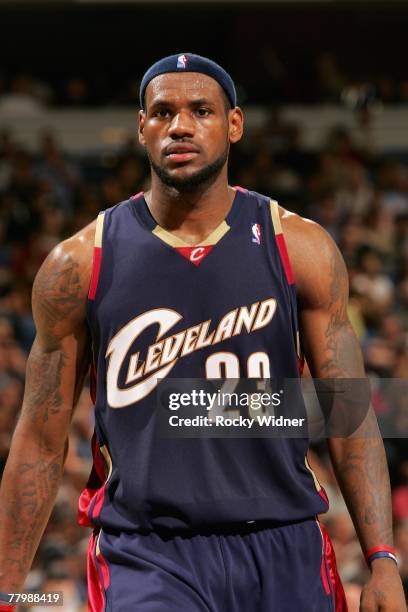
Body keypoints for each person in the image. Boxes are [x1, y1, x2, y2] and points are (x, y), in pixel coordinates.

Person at [0, 53, 405, 612]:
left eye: (200, 111)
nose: (180, 126)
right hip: (147, 552)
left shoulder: (301, 247)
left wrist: (382, 557)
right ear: (141, 128)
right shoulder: (79, 263)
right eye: (162, 112)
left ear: (234, 125)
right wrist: (6, 585)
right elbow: (41, 442)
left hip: (285, 542)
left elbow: (349, 416)